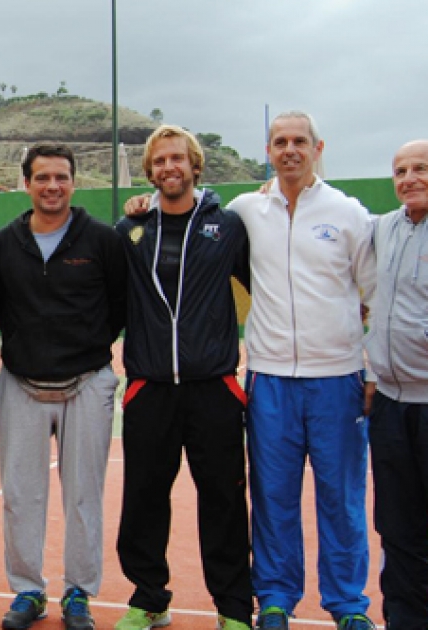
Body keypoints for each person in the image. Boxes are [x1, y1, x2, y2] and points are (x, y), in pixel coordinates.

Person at [126, 111, 376, 630]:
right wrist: (141, 205)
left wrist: (370, 367)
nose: (290, 150)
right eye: (280, 142)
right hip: (267, 377)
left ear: (317, 147)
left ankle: (348, 605)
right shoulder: (245, 211)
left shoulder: (347, 213)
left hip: (334, 377)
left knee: (341, 497)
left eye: (299, 141)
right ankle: (276, 600)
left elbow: (372, 295)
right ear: (268, 151)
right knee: (272, 499)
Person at [113, 126, 252, 630]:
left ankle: (234, 609)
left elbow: (269, 286)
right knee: (144, 499)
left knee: (224, 499)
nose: (169, 167)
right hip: (150, 388)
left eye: (178, 159)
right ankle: (149, 598)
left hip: (213, 387)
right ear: (150, 172)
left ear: (195, 166)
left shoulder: (229, 227)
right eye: (159, 161)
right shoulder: (130, 232)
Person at [0, 142, 127, 630]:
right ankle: (28, 591)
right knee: (20, 496)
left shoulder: (104, 241)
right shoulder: (3, 244)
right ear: (26, 183)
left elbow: (120, 307)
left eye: (61, 177)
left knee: (84, 496)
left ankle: (78, 594)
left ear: (74, 182)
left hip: (87, 383)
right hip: (20, 385)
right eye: (42, 177)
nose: (52, 186)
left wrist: (87, 350)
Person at [364, 139, 428, 630]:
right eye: (400, 170)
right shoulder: (382, 229)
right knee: (397, 525)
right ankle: (404, 620)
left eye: (420, 168)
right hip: (388, 404)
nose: (409, 178)